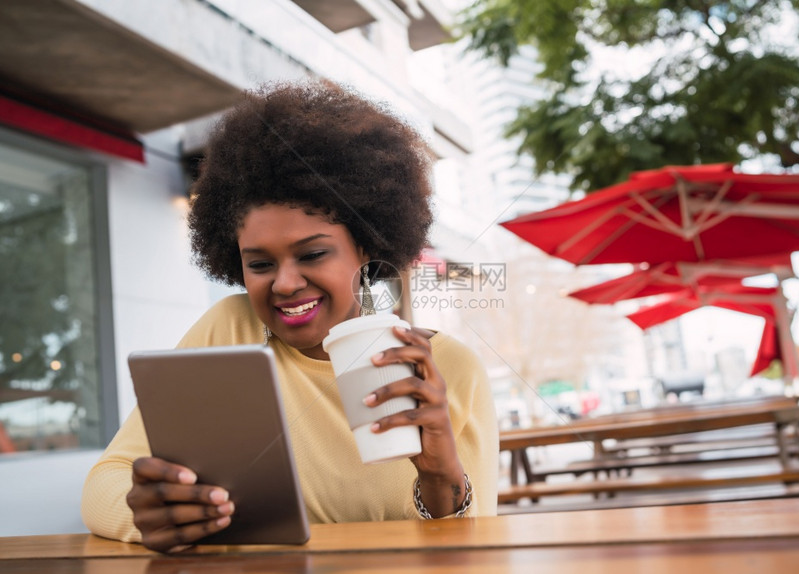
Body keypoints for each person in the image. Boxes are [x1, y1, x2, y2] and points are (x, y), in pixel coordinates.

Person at [80, 80, 499, 552]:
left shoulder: (447, 369)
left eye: (313, 254)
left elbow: (473, 548)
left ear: (366, 245)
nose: (283, 283)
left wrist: (442, 474)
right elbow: (106, 481)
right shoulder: (231, 329)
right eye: (259, 264)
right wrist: (149, 515)